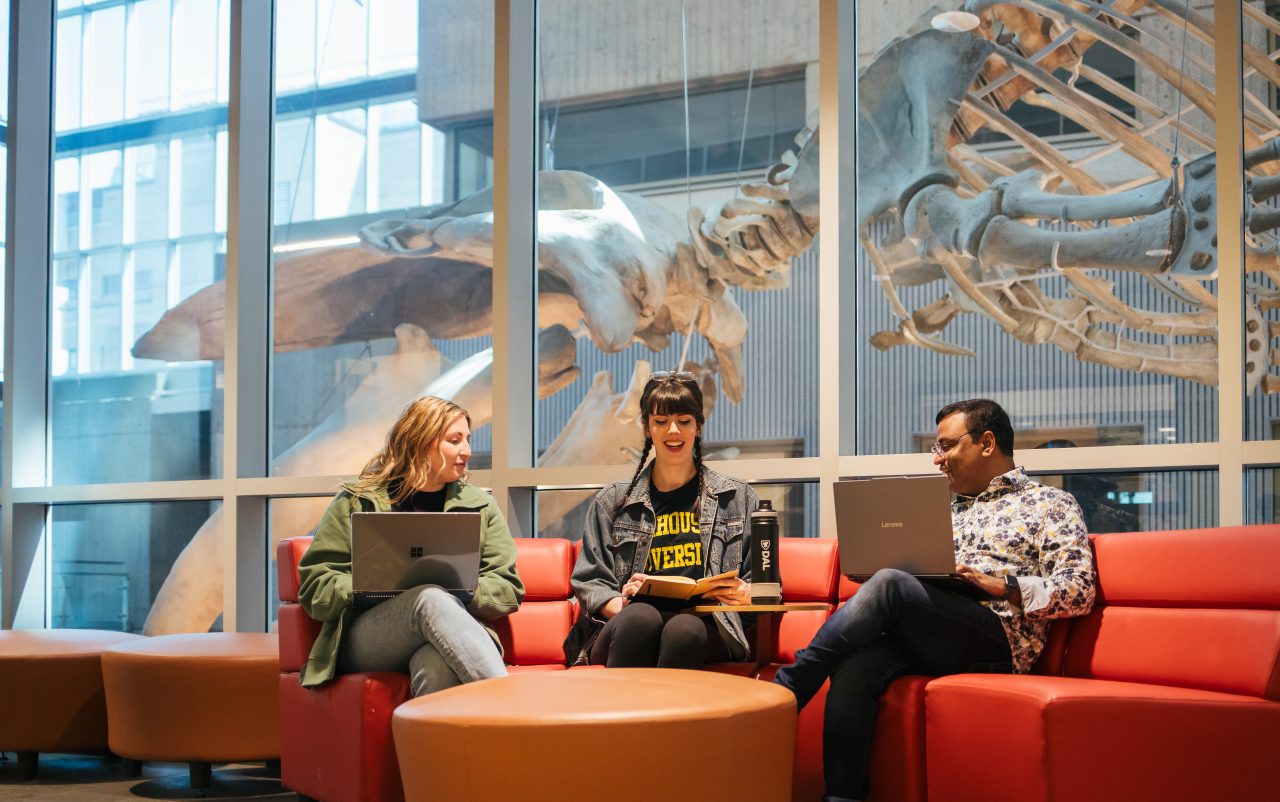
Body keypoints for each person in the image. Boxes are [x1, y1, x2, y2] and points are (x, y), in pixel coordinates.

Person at [774, 398, 1096, 802]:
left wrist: (999, 584)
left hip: (997, 637)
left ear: (987, 442)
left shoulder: (1051, 504)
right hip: (930, 629)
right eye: (936, 448)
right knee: (856, 668)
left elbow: (1079, 589)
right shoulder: (942, 510)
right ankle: (842, 797)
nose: (937, 459)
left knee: (891, 584)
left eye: (946, 446)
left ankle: (787, 689)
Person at [296, 396, 524, 697]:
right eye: (454, 441)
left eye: (468, 440)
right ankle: (514, 718)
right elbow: (315, 587)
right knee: (427, 598)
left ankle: (429, 745)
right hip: (371, 636)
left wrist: (460, 589)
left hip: (456, 631)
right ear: (421, 442)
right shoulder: (357, 500)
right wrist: (368, 586)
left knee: (435, 663)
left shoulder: (481, 506)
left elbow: (507, 588)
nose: (467, 451)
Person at [566, 370, 757, 668]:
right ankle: (626, 715)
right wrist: (620, 602)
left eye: (683, 421)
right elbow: (591, 581)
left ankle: (665, 716)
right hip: (628, 623)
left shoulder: (737, 498)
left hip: (705, 624)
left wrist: (747, 592)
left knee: (685, 628)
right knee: (640, 618)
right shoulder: (613, 501)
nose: (673, 431)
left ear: (698, 427)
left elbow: (764, 585)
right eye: (661, 421)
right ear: (646, 428)